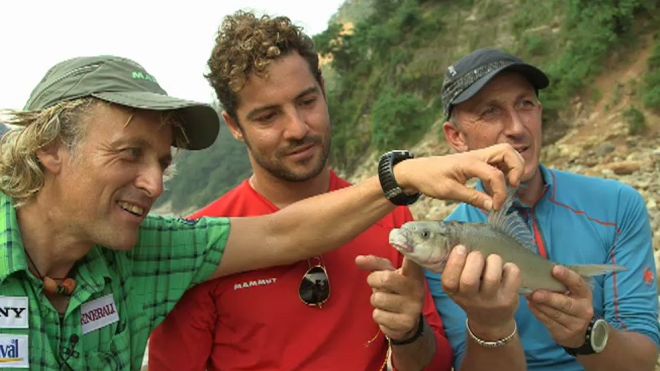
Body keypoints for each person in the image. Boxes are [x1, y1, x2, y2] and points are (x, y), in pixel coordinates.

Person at [0, 54, 524, 369]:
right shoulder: (147, 252)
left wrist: (400, 177)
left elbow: (280, 234)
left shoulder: (150, 251)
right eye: (129, 153)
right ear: (49, 147)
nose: (155, 183)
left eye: (162, 161)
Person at [148, 11, 453, 371]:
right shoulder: (201, 246)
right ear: (234, 125)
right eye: (268, 116)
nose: (297, 128)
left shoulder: (391, 217)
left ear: (323, 91)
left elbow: (434, 364)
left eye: (307, 102)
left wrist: (409, 334)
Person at [427, 48, 660, 371]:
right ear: (456, 137)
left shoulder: (618, 206)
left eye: (525, 104)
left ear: (540, 111)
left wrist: (586, 333)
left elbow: (642, 359)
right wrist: (489, 326)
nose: (517, 128)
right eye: (490, 111)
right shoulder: (444, 252)